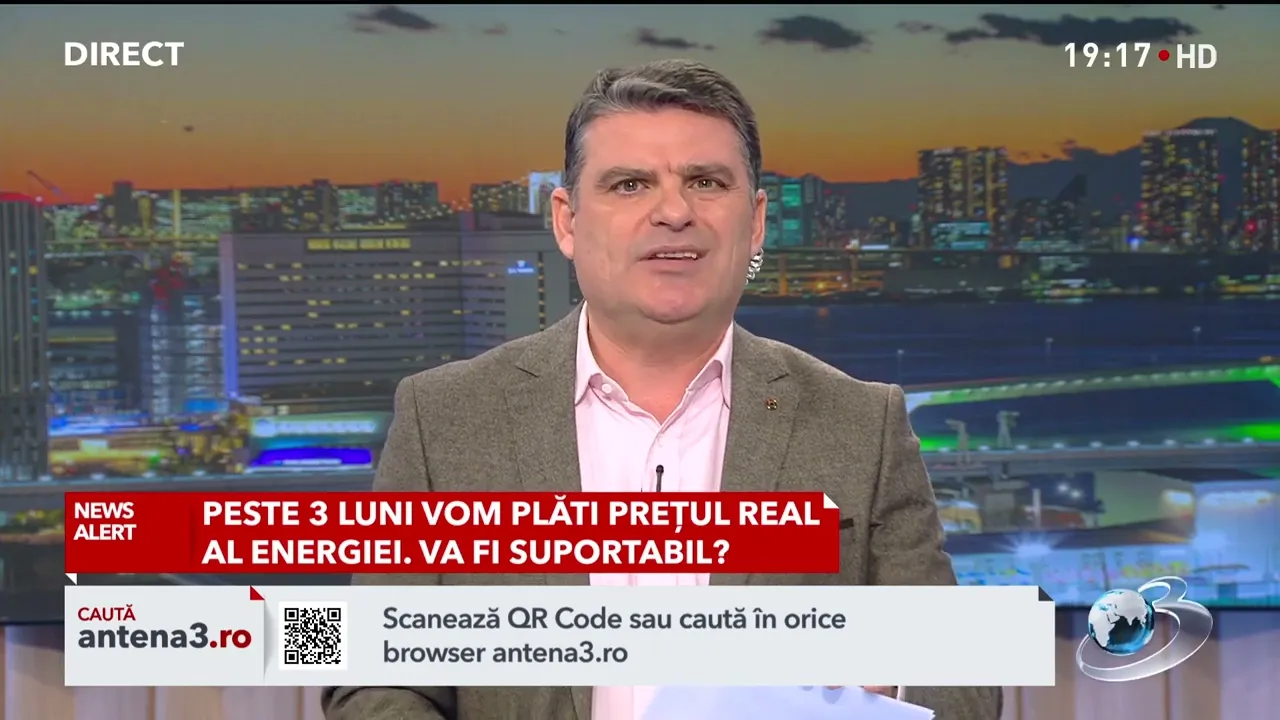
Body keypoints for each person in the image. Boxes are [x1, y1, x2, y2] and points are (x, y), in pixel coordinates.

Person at [323, 59, 1002, 720]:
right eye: (630, 185)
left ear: (755, 222)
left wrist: (880, 685)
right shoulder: (443, 418)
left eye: (706, 182)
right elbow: (366, 675)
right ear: (567, 221)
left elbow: (965, 685)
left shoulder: (863, 423)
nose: (674, 211)